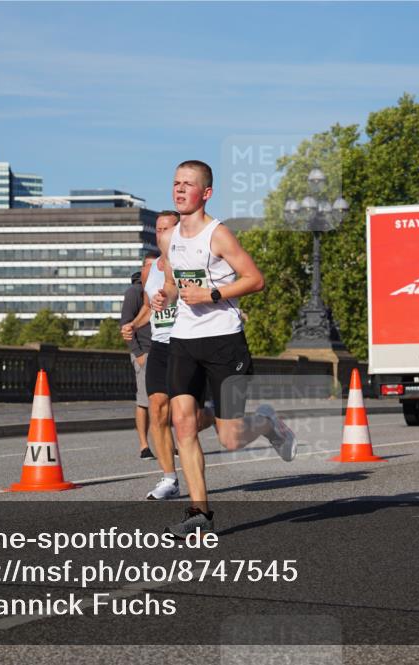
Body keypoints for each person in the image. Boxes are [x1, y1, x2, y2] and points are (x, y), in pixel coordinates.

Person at [151, 160, 296, 536]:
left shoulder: (219, 235)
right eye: (176, 183)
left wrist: (211, 293)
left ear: (206, 193)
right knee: (182, 422)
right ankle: (199, 514)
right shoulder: (169, 237)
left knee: (229, 439)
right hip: (184, 339)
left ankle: (267, 423)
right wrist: (163, 297)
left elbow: (255, 279)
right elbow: (171, 280)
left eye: (188, 184)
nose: (179, 190)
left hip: (224, 341)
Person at [122, 211, 218, 500]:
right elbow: (151, 306)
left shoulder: (191, 261)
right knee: (157, 409)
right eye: (159, 229)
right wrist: (134, 325)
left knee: (189, 419)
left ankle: (215, 416)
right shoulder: (153, 268)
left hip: (188, 343)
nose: (162, 233)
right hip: (160, 345)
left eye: (168, 227)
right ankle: (169, 478)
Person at [120, 259, 154, 459]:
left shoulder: (164, 287)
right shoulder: (135, 292)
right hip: (145, 352)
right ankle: (144, 445)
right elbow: (125, 324)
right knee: (144, 401)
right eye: (148, 266)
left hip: (165, 350)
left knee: (166, 402)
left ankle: (170, 443)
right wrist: (138, 353)